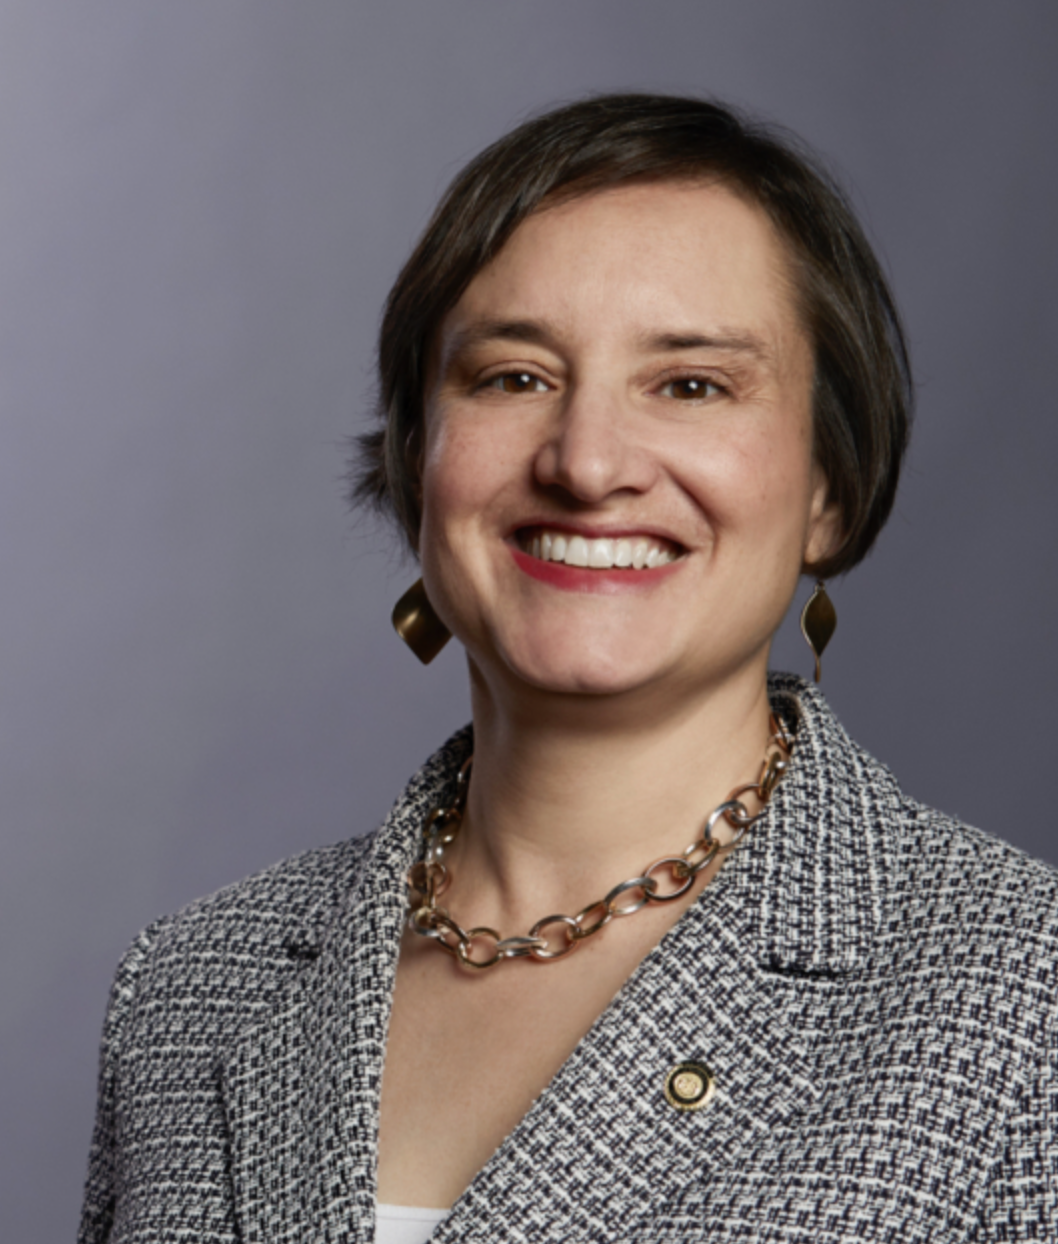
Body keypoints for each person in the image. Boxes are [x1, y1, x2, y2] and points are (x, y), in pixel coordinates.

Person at [80, 94, 1058, 1244]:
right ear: (416, 460)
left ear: (826, 488)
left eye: (690, 383)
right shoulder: (190, 987)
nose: (587, 463)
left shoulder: (1019, 993)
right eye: (511, 377)